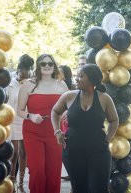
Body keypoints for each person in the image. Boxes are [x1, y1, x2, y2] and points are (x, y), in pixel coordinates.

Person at [51, 63, 119, 193]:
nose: (76, 78)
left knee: (99, 189)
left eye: (81, 76)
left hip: (99, 152)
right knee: (79, 189)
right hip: (73, 152)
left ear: (92, 79)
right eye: (77, 75)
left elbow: (114, 120)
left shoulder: (104, 98)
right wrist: (57, 131)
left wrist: (108, 138)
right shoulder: (69, 96)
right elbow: (55, 111)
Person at [17, 54, 68, 193]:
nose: (47, 66)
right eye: (43, 64)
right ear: (38, 66)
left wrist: (67, 113)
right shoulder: (28, 85)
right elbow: (19, 111)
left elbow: (70, 106)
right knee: (37, 170)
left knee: (53, 172)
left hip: (55, 133)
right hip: (33, 133)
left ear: (54, 66)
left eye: (50, 63)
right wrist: (30, 116)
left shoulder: (61, 85)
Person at [5, 54, 34, 193]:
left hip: (24, 119)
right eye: (24, 69)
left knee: (24, 153)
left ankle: (21, 182)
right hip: (12, 120)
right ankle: (12, 180)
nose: (26, 72)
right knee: (14, 152)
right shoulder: (9, 81)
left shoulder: (30, 83)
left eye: (28, 69)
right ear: (18, 68)